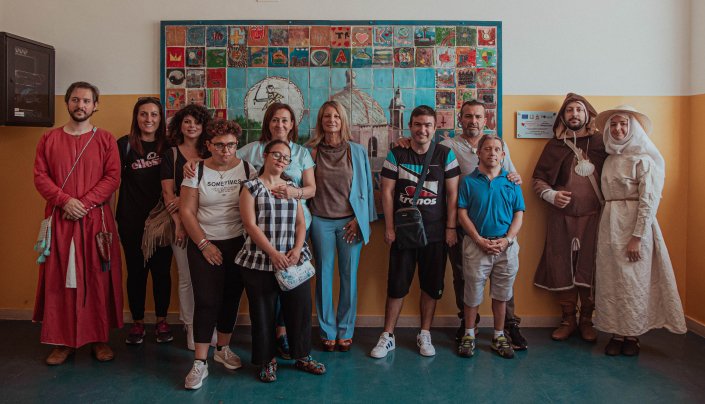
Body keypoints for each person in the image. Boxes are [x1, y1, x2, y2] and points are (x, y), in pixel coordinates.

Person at [395, 100, 527, 349]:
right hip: (462, 224)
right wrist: (403, 141)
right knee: (462, 276)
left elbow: (511, 177)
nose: (473, 121)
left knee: (503, 280)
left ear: (485, 120)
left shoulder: (498, 146)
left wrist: (515, 177)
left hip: (498, 227)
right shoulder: (447, 146)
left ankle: (509, 325)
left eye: (478, 117)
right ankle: (469, 325)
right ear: (460, 119)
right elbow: (422, 148)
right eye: (468, 116)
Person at [33, 81, 122, 365]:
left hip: (95, 221)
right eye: (75, 99)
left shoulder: (105, 139)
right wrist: (64, 201)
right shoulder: (49, 139)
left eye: (86, 100)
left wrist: (83, 204)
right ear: (67, 103)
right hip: (61, 219)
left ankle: (98, 338)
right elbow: (40, 176)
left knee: (97, 278)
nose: (80, 105)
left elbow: (112, 177)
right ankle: (63, 342)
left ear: (95, 105)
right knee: (60, 279)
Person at [593, 105, 686, 356]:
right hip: (610, 225)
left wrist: (637, 237)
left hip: (634, 225)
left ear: (633, 128)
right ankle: (616, 332)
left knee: (633, 281)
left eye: (623, 124)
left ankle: (632, 335)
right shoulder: (610, 160)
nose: (618, 129)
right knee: (611, 280)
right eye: (614, 125)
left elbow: (649, 201)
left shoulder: (644, 160)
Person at [370, 105, 460, 359]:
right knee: (396, 285)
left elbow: (453, 195)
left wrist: (451, 228)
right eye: (418, 124)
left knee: (431, 286)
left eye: (428, 125)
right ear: (410, 126)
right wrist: (389, 227)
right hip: (404, 233)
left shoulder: (445, 155)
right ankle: (388, 335)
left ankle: (425, 333)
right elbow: (387, 192)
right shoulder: (397, 153)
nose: (423, 129)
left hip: (436, 233)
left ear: (435, 127)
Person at [236, 140, 326, 382]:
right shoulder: (251, 187)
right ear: (265, 155)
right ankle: (267, 361)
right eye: (276, 154)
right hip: (260, 261)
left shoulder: (291, 187)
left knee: (299, 309)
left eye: (286, 157)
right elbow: (250, 225)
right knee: (263, 314)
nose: (281, 160)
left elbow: (301, 223)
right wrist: (273, 254)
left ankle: (302, 356)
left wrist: (297, 249)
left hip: (292, 261)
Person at [235, 103, 316, 358]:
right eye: (275, 120)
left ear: (292, 124)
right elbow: (224, 159)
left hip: (293, 240)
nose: (280, 124)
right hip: (263, 244)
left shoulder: (299, 161)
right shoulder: (251, 172)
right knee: (264, 303)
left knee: (296, 301)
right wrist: (195, 164)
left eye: (285, 120)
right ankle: (266, 356)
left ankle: (294, 347)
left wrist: (295, 192)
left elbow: (308, 198)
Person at [179, 118, 255, 389]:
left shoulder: (247, 169)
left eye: (231, 145)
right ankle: (200, 362)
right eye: (220, 145)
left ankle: (223, 349)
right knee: (206, 300)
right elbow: (187, 211)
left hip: (237, 243)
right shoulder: (195, 170)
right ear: (209, 145)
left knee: (231, 297)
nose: (226, 150)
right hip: (204, 242)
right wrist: (204, 244)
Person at [532, 93, 608, 342]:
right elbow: (539, 179)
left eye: (579, 110)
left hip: (595, 217)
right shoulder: (555, 146)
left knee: (590, 265)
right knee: (560, 263)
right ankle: (568, 319)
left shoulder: (601, 144)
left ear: (588, 114)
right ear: (563, 116)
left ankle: (587, 320)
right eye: (569, 110)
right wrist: (551, 195)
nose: (574, 114)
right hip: (561, 218)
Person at [307, 100, 376, 352]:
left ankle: (345, 330)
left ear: (343, 120)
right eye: (327, 116)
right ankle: (327, 330)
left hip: (350, 222)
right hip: (320, 221)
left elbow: (367, 188)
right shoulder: (310, 151)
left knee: (349, 277)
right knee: (323, 276)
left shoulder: (356, 151)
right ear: (321, 121)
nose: (332, 120)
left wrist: (360, 218)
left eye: (336, 116)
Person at [457, 135, 525, 359]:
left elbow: (518, 214)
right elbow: (462, 213)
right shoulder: (468, 182)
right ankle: (469, 334)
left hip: (506, 247)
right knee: (472, 293)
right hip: (477, 245)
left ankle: (499, 335)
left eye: (497, 149)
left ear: (503, 155)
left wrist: (507, 240)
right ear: (479, 153)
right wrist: (478, 239)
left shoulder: (511, 182)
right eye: (487, 149)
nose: (492, 153)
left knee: (502, 294)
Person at [116, 97, 174, 345]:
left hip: (162, 221)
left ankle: (162, 321)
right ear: (136, 117)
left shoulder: (169, 145)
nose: (148, 119)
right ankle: (138, 322)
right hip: (131, 220)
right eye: (143, 114)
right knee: (136, 273)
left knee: (161, 272)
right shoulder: (124, 145)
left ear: (161, 119)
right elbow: (111, 181)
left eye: (154, 114)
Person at [162, 103, 212, 350]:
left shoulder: (211, 152)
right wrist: (180, 224)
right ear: (179, 125)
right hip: (180, 224)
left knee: (208, 278)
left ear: (204, 127)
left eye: (197, 122)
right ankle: (190, 326)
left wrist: (185, 199)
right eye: (187, 121)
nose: (192, 126)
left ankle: (208, 325)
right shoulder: (170, 154)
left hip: (209, 224)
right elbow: (168, 196)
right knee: (186, 277)